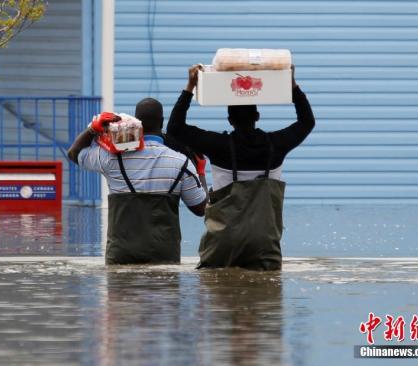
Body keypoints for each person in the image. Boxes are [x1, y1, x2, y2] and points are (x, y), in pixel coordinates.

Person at [166, 64, 315, 270]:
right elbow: (307, 122)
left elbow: (174, 128)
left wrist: (190, 87)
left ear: (230, 120)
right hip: (264, 243)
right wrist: (292, 85)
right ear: (257, 117)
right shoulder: (277, 145)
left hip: (223, 242)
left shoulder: (218, 145)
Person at [67, 98, 207, 265]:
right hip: (164, 255)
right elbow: (202, 209)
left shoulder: (112, 158)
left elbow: (74, 153)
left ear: (136, 122)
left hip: (120, 255)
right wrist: (200, 171)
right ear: (162, 122)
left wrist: (93, 129)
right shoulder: (181, 162)